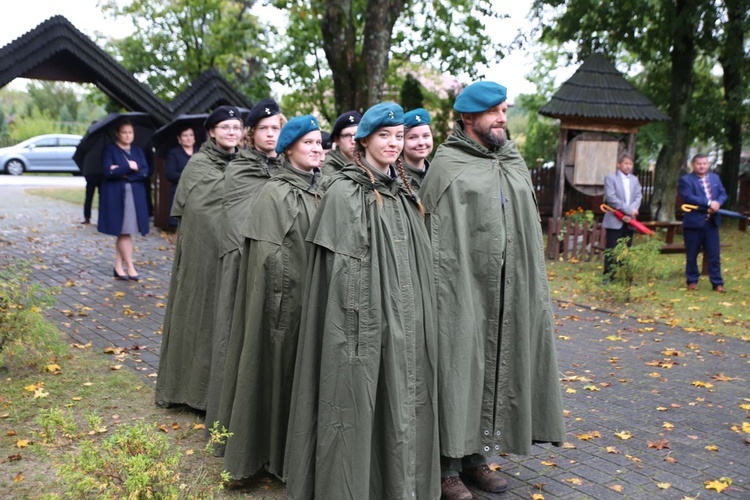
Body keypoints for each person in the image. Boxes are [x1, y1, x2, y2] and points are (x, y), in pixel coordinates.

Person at [285, 102, 440, 500]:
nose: (393, 143)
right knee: (358, 399)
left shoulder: (405, 193)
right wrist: (369, 319)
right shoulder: (345, 191)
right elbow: (338, 280)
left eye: (399, 136)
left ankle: (399, 487)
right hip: (363, 323)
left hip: (406, 322)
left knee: (402, 401)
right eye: (384, 136)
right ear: (363, 141)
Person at [419, 81, 565, 500]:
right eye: (494, 111)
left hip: (509, 290)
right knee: (457, 369)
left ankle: (478, 457)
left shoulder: (511, 160)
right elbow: (437, 236)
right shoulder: (447, 165)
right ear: (468, 118)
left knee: (494, 369)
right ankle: (447, 466)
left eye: (505, 109)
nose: (503, 117)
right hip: (461, 290)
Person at [217, 115, 322, 483]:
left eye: (319, 143)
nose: (316, 149)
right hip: (283, 307)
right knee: (275, 372)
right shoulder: (275, 192)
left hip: (314, 302)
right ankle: (269, 455)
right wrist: (284, 306)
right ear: (289, 148)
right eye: (308, 143)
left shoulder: (320, 188)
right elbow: (266, 258)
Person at [204, 98, 285, 434]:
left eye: (276, 128)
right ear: (251, 134)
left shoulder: (287, 167)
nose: (270, 134)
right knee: (242, 342)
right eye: (264, 129)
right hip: (244, 265)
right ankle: (236, 421)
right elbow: (237, 222)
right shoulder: (241, 169)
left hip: (281, 268)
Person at [155, 105, 243, 411]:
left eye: (237, 127)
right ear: (212, 132)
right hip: (203, 256)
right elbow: (202, 212)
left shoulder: (240, 163)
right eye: (226, 127)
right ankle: (190, 390)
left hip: (231, 255)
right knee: (200, 317)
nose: (232, 132)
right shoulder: (200, 164)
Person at [97, 118, 150, 281]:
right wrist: (130, 168)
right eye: (124, 132)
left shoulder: (137, 151)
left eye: (130, 132)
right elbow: (108, 172)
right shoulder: (110, 150)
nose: (128, 135)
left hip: (135, 196)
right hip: (116, 197)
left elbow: (145, 172)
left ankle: (118, 267)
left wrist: (123, 172)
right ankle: (130, 267)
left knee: (126, 232)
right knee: (124, 232)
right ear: (117, 134)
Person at [678, 153, 728, 292]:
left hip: (711, 223)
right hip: (694, 222)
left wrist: (718, 203)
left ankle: (717, 283)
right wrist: (708, 203)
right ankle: (692, 281)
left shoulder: (715, 178)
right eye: (699, 163)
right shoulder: (686, 180)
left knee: (714, 254)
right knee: (692, 253)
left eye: (704, 163)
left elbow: (723, 193)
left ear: (708, 164)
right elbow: (688, 197)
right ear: (693, 165)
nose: (702, 166)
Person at [602, 151, 642, 280]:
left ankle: (625, 277)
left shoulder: (635, 180)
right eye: (626, 163)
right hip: (615, 219)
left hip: (630, 221)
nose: (628, 166)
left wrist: (633, 209)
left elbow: (638, 196)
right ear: (619, 164)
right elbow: (611, 198)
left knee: (627, 249)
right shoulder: (611, 178)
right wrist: (629, 210)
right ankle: (609, 275)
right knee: (612, 248)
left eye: (630, 164)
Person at [164, 125, 196, 231]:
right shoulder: (174, 153)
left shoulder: (200, 153)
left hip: (198, 194)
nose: (188, 138)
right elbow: (170, 174)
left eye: (191, 135)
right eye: (185, 135)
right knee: (179, 228)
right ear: (179, 138)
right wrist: (188, 175)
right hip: (179, 194)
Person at [401, 107, 433, 193]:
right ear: (402, 141)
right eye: (413, 137)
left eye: (426, 136)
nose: (421, 142)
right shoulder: (394, 178)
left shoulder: (438, 174)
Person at [320, 110, 361, 176]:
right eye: (347, 135)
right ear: (337, 140)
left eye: (357, 134)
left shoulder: (367, 161)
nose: (353, 141)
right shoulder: (330, 168)